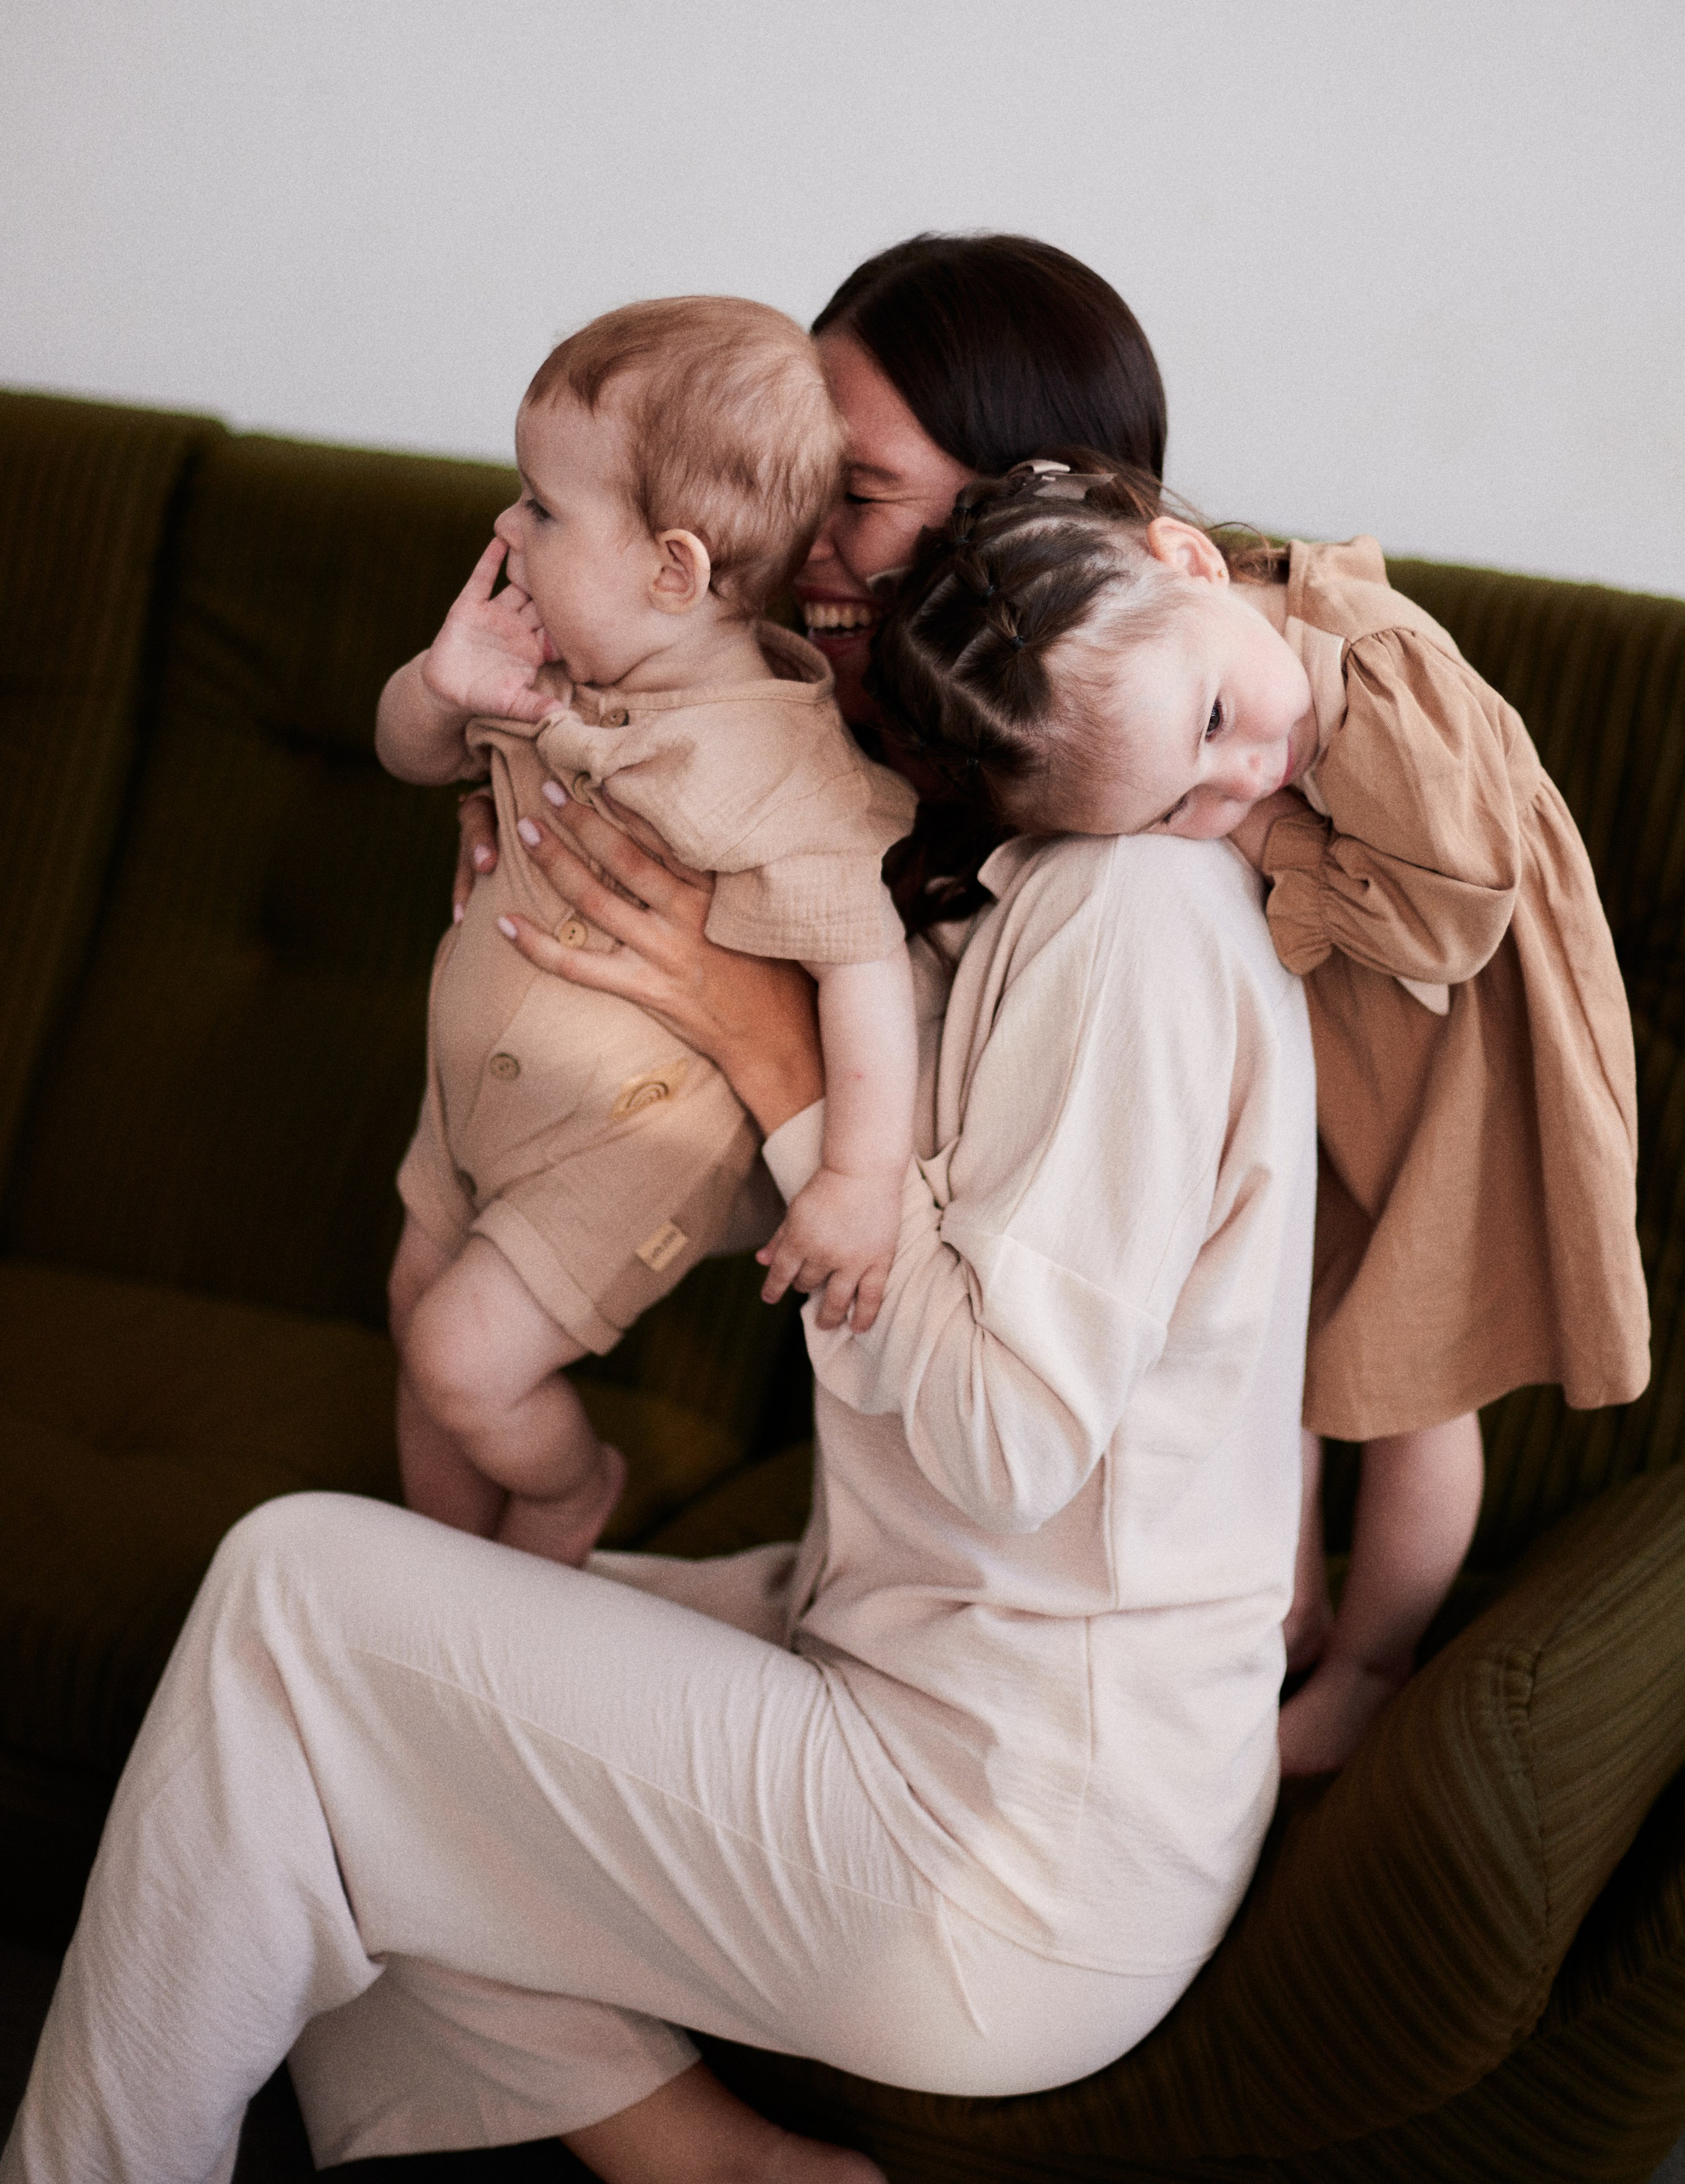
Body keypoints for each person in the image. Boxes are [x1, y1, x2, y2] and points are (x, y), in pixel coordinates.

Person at [3, 236, 1314, 2184]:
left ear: (1028, 517)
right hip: (900, 1672)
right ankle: (707, 2160)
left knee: (298, 1602)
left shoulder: (1126, 919)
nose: (810, 549)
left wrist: (772, 1059)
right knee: (363, 1665)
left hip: (1005, 1832)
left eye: (852, 498)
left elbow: (1012, 1437)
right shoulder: (972, 850)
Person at [870, 459, 1650, 1775]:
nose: (1239, 777)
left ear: (1184, 559)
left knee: (1417, 1392)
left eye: (1220, 721)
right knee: (1282, 1349)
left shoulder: (1375, 672)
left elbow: (1444, 918)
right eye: (1179, 804)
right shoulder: (1191, 663)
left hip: (1462, 1071)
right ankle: (1284, 1618)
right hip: (1353, 1041)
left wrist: (1253, 841)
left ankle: (1369, 1668)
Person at [375, 296, 917, 1564]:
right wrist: (439, 689)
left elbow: (863, 961)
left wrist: (857, 1178)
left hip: (625, 1146)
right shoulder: (555, 660)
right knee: (414, 1319)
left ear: (674, 569)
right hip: (469, 1109)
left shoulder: (781, 763)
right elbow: (407, 755)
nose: (507, 526)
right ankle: (419, 1583)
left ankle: (567, 1495)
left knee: (464, 1360)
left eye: (544, 508)